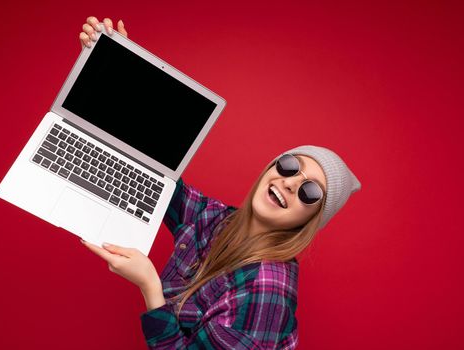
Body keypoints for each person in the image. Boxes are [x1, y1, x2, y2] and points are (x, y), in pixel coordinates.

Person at [79, 16, 362, 349]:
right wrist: (119, 70)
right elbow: (159, 174)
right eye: (289, 166)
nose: (289, 183)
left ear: (310, 220)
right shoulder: (217, 221)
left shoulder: (268, 286)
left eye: (309, 191)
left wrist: (149, 287)